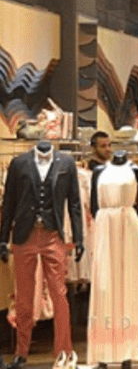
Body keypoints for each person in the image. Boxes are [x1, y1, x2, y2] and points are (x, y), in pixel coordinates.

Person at [0, 140, 85, 369]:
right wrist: (3, 238)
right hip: (24, 235)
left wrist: (79, 238)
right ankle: (21, 353)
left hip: (53, 234)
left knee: (59, 294)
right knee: (24, 297)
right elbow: (9, 203)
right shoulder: (19, 163)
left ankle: (64, 351)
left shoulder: (66, 162)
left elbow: (75, 203)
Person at [88, 151, 138, 369]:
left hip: (128, 226)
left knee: (129, 284)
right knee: (104, 285)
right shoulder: (98, 171)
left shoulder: (137, 170)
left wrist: (129, 218)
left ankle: (128, 352)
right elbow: (93, 206)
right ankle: (102, 352)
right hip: (105, 226)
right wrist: (108, 218)